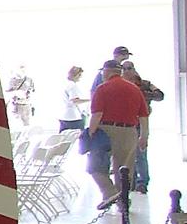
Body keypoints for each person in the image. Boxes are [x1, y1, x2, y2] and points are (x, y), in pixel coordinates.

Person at [84, 58, 146, 209]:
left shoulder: (102, 88)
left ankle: (109, 192)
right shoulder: (134, 89)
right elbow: (143, 115)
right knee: (124, 170)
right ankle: (123, 201)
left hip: (106, 130)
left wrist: (90, 133)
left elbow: (97, 114)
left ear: (107, 71)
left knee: (95, 166)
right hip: (130, 131)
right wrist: (144, 136)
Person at [121, 60, 165, 192]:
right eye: (125, 69)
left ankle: (142, 182)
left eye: (130, 68)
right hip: (124, 123)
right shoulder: (120, 85)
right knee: (126, 155)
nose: (127, 71)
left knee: (141, 154)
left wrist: (142, 95)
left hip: (140, 122)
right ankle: (130, 181)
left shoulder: (145, 84)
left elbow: (160, 95)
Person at [59, 65, 88, 131]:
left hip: (64, 116)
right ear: (77, 75)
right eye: (80, 75)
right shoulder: (72, 85)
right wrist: (90, 100)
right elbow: (75, 101)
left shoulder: (64, 84)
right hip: (73, 117)